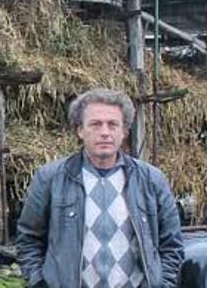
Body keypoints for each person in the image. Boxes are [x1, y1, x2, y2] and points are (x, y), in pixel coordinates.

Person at [16, 88, 184, 287]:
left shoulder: (152, 180)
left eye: (112, 125)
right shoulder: (51, 178)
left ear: (124, 132)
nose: (105, 132)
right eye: (95, 124)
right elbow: (28, 240)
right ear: (80, 130)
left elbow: (172, 245)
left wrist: (163, 284)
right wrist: (38, 283)